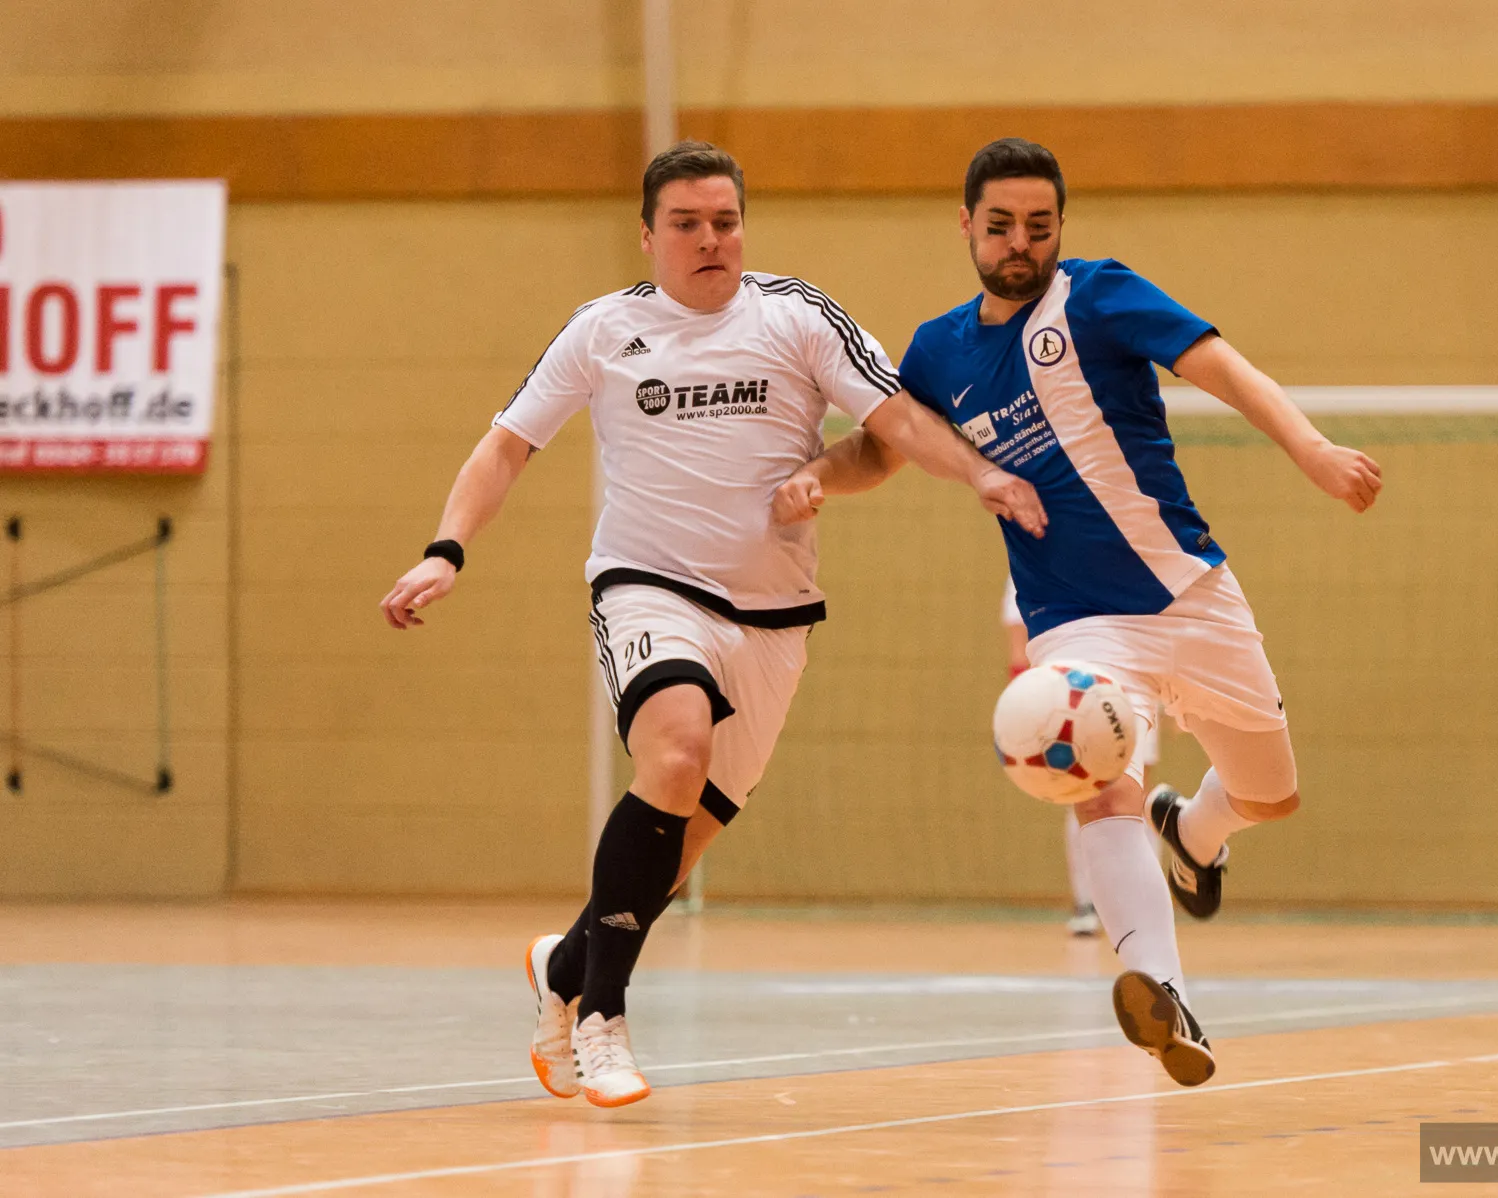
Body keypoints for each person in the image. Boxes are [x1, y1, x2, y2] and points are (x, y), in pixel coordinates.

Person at [380, 141, 1045, 1109]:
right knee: (676, 749)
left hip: (774, 614)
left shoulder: (796, 317)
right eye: (687, 224)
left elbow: (895, 424)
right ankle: (602, 1017)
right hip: (648, 586)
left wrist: (978, 474)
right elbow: (506, 446)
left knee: (678, 845)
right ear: (647, 236)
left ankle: (563, 967)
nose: (710, 240)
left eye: (725, 222)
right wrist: (446, 550)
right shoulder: (604, 331)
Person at [774, 138, 1381, 1087]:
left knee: (1271, 795)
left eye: (1039, 225)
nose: (1020, 242)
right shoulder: (938, 350)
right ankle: (1163, 990)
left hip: (1191, 593)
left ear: (1061, 226)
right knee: (1099, 780)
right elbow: (880, 449)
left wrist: (1310, 448)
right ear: (966, 224)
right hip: (1074, 619)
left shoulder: (1099, 295)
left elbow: (1222, 368)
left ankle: (1195, 834)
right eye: (1001, 224)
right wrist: (817, 474)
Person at [1001, 575, 1160, 937]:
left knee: (1138, 792)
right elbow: (1017, 632)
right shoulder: (1030, 552)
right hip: (1067, 691)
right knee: (1084, 790)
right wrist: (1024, 699)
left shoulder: (1126, 551)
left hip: (1132, 681)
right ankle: (1088, 902)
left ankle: (1144, 904)